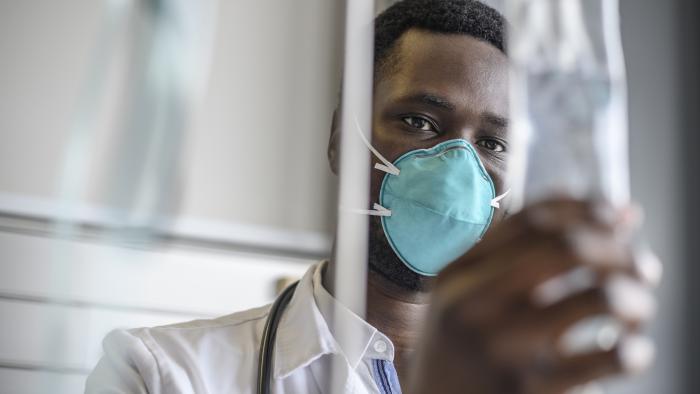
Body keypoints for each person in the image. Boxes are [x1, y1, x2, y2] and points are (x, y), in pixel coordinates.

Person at [86, 1, 662, 393]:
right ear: (340, 139)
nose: (459, 167)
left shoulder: (551, 381)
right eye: (418, 121)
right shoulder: (161, 374)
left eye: (492, 142)